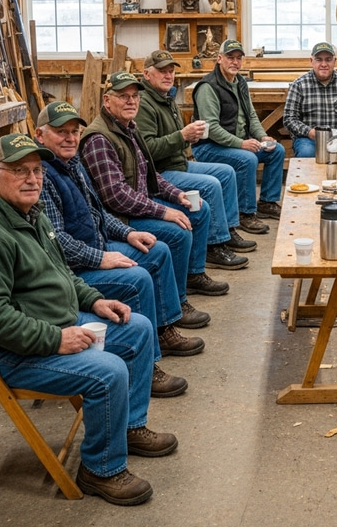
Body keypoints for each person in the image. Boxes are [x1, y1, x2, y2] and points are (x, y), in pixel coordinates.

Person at [0, 134, 178, 506]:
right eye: (19, 170)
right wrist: (56, 339)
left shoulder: (28, 213)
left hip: (52, 323)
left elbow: (62, 274)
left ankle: (128, 428)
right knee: (109, 371)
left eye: (36, 170)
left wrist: (95, 300)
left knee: (138, 329)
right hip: (9, 352)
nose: (32, 179)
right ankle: (101, 470)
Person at [35, 101, 202, 398]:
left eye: (74, 131)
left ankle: (163, 331)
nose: (70, 138)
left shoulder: (73, 164)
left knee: (157, 249)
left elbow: (98, 213)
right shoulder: (42, 176)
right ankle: (147, 368)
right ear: (40, 135)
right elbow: (56, 241)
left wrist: (129, 232)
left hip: (97, 246)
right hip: (76, 267)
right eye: (61, 132)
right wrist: (101, 258)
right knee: (137, 279)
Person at [80, 71, 229, 314]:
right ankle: (176, 303)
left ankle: (192, 275)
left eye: (135, 96)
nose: (131, 101)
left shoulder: (128, 127)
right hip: (120, 218)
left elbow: (148, 173)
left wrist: (175, 194)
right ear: (107, 101)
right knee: (177, 232)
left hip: (137, 206)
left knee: (199, 209)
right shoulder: (99, 138)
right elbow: (117, 196)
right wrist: (163, 212)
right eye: (123, 96)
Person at [137, 49, 255, 268]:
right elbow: (148, 151)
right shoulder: (144, 103)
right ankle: (214, 247)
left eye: (171, 71)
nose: (168, 75)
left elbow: (175, 140)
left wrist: (186, 136)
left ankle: (226, 232)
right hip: (160, 172)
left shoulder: (166, 98)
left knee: (225, 173)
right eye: (162, 71)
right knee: (210, 185)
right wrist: (183, 136)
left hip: (178, 162)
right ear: (146, 74)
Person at [191, 40, 286, 230]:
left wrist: (262, 137)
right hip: (209, 147)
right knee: (248, 159)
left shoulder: (240, 82)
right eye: (230, 57)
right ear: (219, 59)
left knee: (277, 150)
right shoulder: (208, 87)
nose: (234, 62)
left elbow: (251, 114)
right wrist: (241, 144)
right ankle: (245, 213)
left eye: (238, 58)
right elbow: (213, 128)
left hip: (234, 144)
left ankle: (267, 202)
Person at [283, 41, 337, 158]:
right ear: (311, 61)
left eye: (328, 59)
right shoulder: (298, 85)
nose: (324, 64)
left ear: (334, 61)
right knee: (306, 154)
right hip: (309, 139)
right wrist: (310, 132)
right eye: (319, 59)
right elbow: (289, 118)